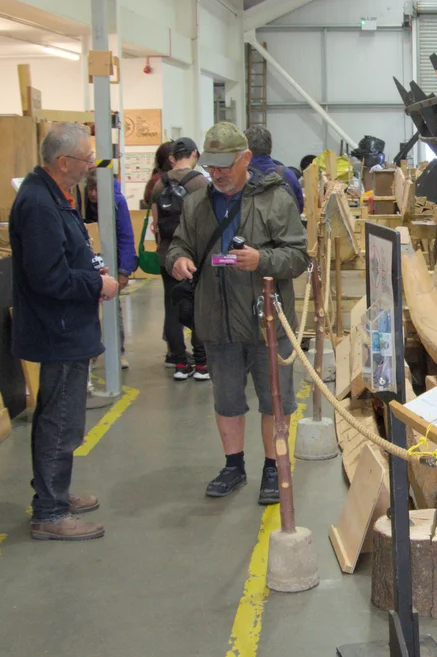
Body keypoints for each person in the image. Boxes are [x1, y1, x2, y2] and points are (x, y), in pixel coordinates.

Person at [166, 121, 308, 504]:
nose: (216, 175)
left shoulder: (276, 200)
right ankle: (233, 466)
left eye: (224, 167)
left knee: (274, 400)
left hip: (267, 322)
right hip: (216, 319)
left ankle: (271, 468)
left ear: (246, 159)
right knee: (226, 399)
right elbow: (178, 245)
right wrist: (177, 260)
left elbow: (298, 257)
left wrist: (262, 259)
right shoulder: (196, 203)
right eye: (210, 167)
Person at [10, 122, 120, 541]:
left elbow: (68, 254)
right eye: (86, 159)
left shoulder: (56, 196)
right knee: (60, 419)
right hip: (58, 329)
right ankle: (51, 512)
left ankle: (54, 493)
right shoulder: (39, 204)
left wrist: (93, 270)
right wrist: (98, 285)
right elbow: (49, 278)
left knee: (62, 416)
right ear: (62, 162)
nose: (91, 165)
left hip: (67, 326)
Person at [154, 137, 210, 380]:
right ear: (195, 154)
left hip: (167, 254)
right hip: (193, 255)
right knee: (199, 305)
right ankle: (201, 363)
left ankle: (178, 363)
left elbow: (156, 225)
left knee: (172, 305)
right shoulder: (200, 183)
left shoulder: (159, 184)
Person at [82, 173, 136, 369]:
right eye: (90, 189)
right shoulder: (83, 203)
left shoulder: (117, 202)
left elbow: (125, 235)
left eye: (96, 189)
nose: (93, 194)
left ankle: (118, 351)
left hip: (112, 263)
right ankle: (92, 351)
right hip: (90, 263)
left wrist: (124, 270)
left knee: (114, 310)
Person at [244, 123, 304, 213]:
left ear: (246, 150)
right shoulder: (287, 175)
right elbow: (299, 208)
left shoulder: (244, 176)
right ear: (270, 146)